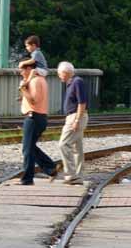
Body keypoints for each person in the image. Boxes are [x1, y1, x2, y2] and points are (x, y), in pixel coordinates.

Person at [18, 57, 58, 185]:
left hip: (33, 117)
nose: (20, 73)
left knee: (27, 149)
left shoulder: (35, 81)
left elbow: (34, 100)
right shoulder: (41, 80)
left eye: (22, 70)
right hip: (38, 117)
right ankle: (50, 168)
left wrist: (23, 90)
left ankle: (27, 178)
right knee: (30, 147)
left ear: (29, 69)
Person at [57, 61, 88, 185]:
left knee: (63, 144)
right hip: (74, 116)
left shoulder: (77, 82)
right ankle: (78, 176)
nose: (59, 76)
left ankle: (71, 174)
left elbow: (82, 103)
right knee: (77, 148)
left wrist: (76, 120)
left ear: (65, 73)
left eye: (59, 74)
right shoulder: (72, 83)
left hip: (76, 116)